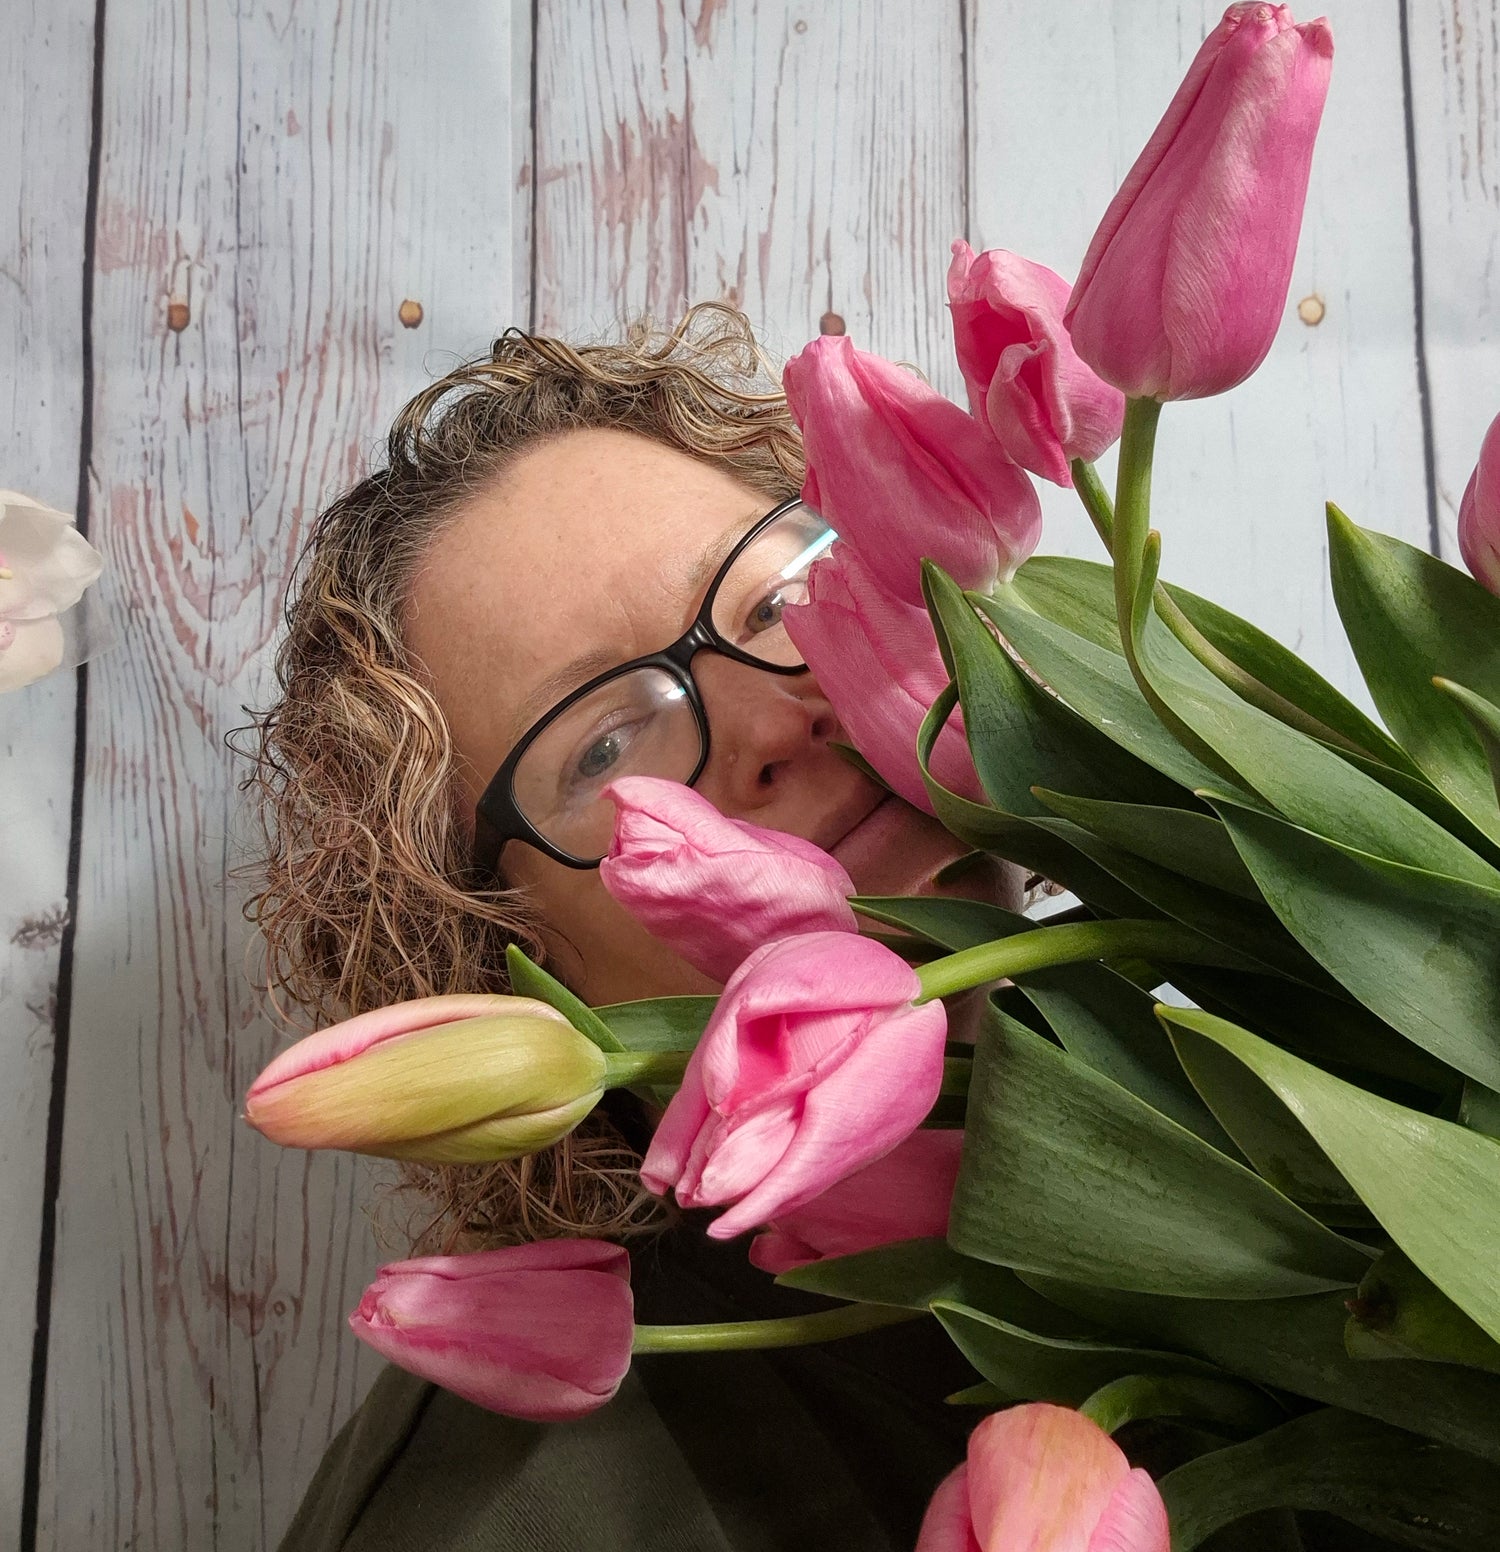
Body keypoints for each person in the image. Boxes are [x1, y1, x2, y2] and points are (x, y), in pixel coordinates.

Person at [243, 303, 1024, 1552]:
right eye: (605, 744)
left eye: (779, 598)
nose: (777, 720)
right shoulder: (517, 1522)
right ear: (499, 951)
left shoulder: (1277, 1098)